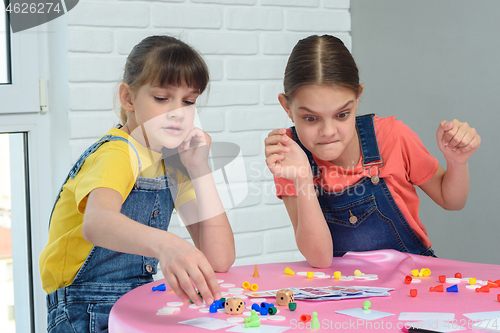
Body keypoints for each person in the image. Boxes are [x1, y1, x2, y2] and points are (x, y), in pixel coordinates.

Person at [39, 35, 235, 332]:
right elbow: (98, 222)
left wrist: (199, 168)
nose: (177, 112)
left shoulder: (173, 162)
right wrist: (167, 244)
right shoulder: (117, 153)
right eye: (161, 98)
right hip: (84, 309)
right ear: (129, 98)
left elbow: (220, 258)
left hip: (134, 301)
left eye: (188, 101)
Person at [264, 35, 480, 268]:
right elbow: (319, 259)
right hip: (342, 292)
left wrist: (457, 162)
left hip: (413, 282)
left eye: (342, 115)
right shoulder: (289, 156)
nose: (327, 131)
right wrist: (303, 177)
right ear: (287, 107)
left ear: (357, 98)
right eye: (310, 118)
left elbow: (452, 201)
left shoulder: (391, 135)